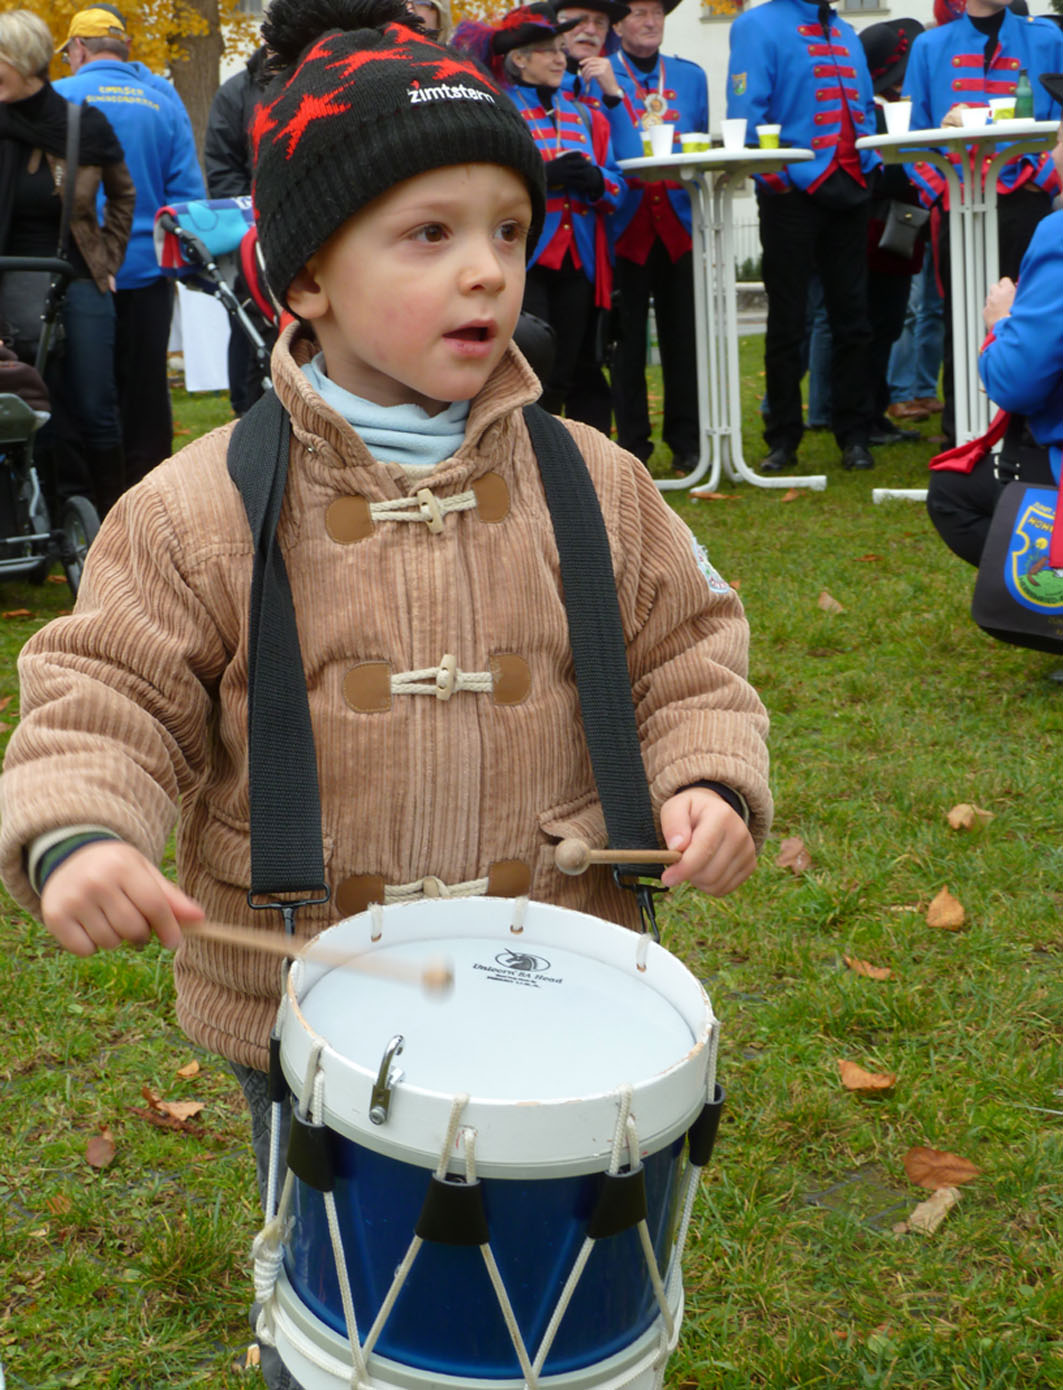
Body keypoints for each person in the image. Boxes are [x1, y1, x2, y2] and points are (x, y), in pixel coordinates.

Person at [0, 1, 772, 1383]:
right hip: (303, 998)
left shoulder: (593, 483)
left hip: (555, 976)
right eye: (428, 234)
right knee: (340, 1302)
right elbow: (104, 689)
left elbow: (689, 652)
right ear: (305, 279)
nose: (486, 269)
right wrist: (80, 829)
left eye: (507, 232)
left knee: (548, 1319)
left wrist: (707, 776)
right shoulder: (196, 508)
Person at [727, 0, 881, 475]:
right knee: (788, 321)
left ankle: (855, 434)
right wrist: (775, 178)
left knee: (854, 319)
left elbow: (864, 107)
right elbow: (746, 110)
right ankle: (782, 437)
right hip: (791, 191)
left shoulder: (847, 31)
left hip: (850, 185)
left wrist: (869, 165)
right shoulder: (756, 24)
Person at [55, 4, 205, 488]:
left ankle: (87, 503)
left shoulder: (58, 98)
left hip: (76, 273)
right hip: (148, 270)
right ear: (125, 48)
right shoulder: (163, 103)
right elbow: (186, 198)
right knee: (146, 395)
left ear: (78, 48)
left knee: (83, 393)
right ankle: (151, 498)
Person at [901, 0, 1063, 443]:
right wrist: (941, 190)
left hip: (1024, 199)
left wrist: (1042, 180)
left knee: (1028, 312)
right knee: (960, 312)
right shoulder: (930, 46)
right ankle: (962, 431)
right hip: (959, 199)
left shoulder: (1046, 38)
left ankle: (1023, 430)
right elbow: (914, 135)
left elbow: (1059, 125)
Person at [0, 8, 134, 517]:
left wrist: (109, 259)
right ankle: (48, 520)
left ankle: (118, 518)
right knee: (33, 410)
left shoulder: (84, 126)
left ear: (23, 62)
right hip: (9, 287)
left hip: (76, 277)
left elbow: (123, 196)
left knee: (97, 407)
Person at [928, 84, 1063, 565]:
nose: (1052, 152)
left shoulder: (1057, 235)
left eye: (1059, 139)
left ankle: (1046, 591)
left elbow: (1016, 383)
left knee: (951, 493)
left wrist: (1001, 322)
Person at [490, 3, 625, 426]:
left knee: (568, 368)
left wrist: (596, 180)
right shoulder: (500, 111)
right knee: (529, 370)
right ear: (519, 59)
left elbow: (618, 186)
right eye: (547, 51)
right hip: (524, 259)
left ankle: (565, 453)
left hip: (578, 259)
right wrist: (544, 178)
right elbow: (488, 188)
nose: (559, 59)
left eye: (559, 50)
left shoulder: (585, 113)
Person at [607, 0, 706, 472]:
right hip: (623, 226)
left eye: (658, 14)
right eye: (639, 13)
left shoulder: (690, 76)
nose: (650, 22)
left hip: (678, 225)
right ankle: (633, 448)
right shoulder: (598, 74)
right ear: (618, 23)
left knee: (684, 339)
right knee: (625, 345)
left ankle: (688, 442)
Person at [204, 44, 277, 417]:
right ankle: (247, 418)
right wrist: (255, 217)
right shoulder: (236, 92)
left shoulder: (326, 74)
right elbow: (222, 167)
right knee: (250, 330)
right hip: (257, 241)